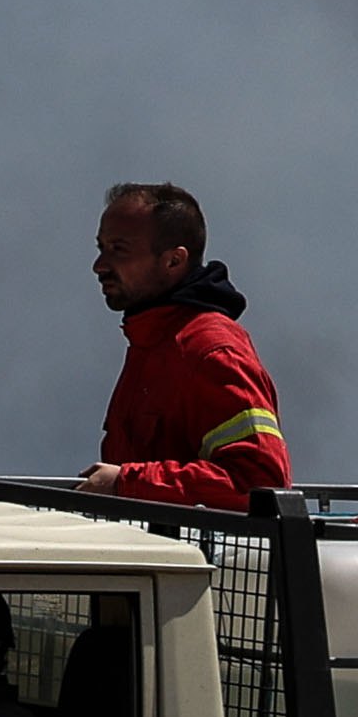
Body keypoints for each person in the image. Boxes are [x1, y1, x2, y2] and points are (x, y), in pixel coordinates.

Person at [78, 180, 294, 511]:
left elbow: (259, 482)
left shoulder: (211, 349)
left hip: (200, 562)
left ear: (174, 261)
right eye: (101, 248)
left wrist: (126, 483)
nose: (100, 265)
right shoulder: (151, 342)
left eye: (118, 249)